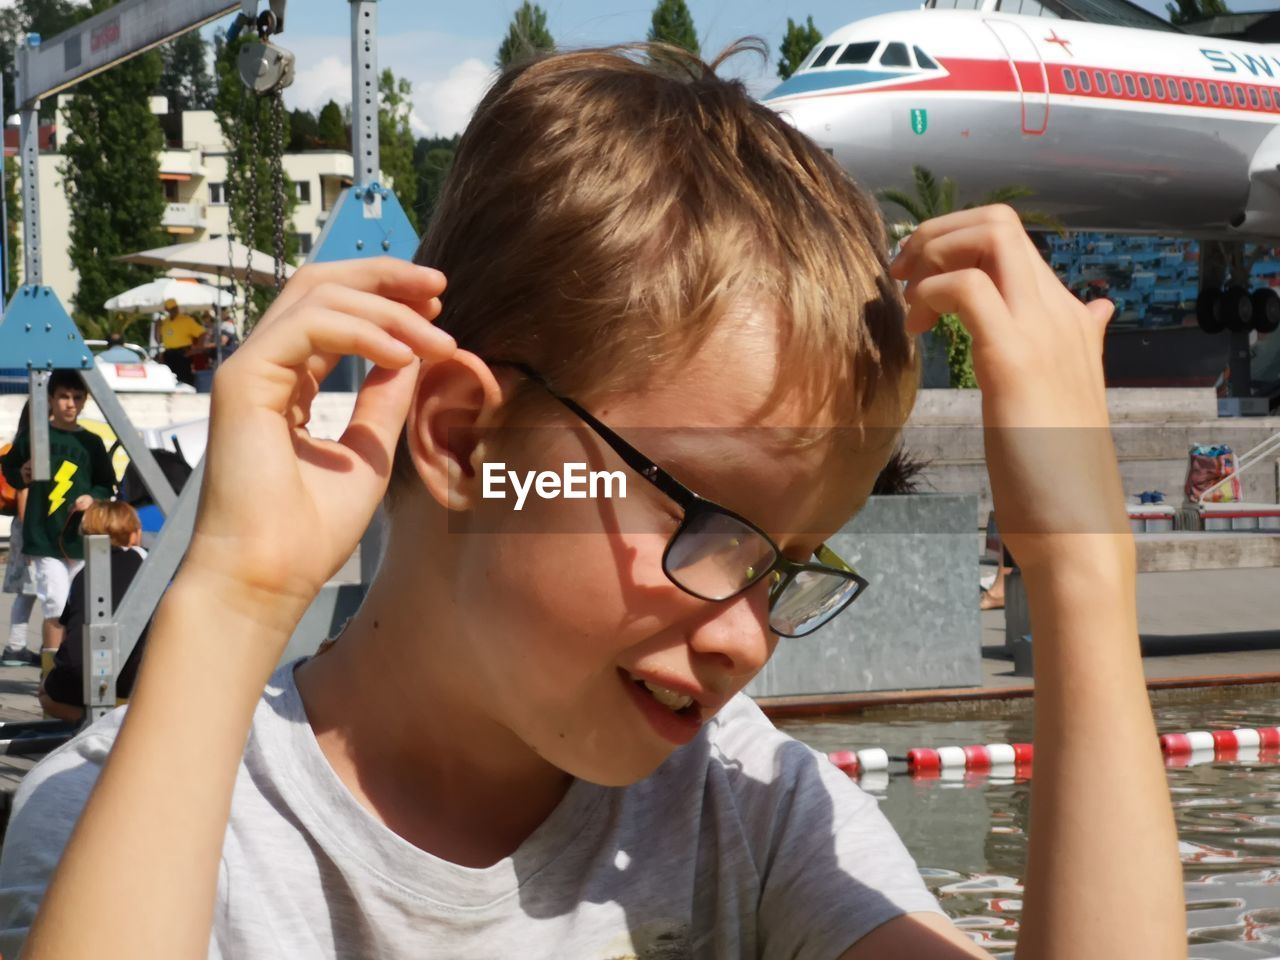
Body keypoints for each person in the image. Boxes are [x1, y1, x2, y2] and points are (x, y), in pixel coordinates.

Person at [0, 44, 1183, 959]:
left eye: (784, 563)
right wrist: (233, 600)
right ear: (466, 438)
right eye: (706, 522)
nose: (743, 635)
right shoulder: (144, 821)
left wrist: (1080, 571)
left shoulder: (751, 818)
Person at [0, 371, 116, 659]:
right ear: (50, 398)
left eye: (77, 397)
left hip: (79, 539)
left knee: (80, 605)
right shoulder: (33, 436)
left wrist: (93, 497)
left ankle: (72, 666)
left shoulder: (92, 442)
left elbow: (106, 483)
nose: (70, 404)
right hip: (43, 539)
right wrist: (22, 474)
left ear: (85, 400)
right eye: (64, 396)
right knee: (55, 603)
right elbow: (10, 469)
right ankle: (52, 676)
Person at [38, 501, 148, 723]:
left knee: (45, 694)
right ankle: (114, 722)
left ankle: (91, 722)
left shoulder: (82, 575)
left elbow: (67, 629)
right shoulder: (145, 563)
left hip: (79, 675)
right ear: (134, 535)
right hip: (135, 677)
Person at [0, 402, 38, 666]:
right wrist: (30, 531)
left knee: (30, 589)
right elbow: (25, 492)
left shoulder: (22, 444)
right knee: (33, 588)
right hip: (31, 528)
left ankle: (16, 646)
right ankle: (15, 646)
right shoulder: (32, 448)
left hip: (25, 526)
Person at [154, 298, 206, 386]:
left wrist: (197, 348)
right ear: (167, 310)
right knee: (170, 379)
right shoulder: (165, 322)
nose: (174, 310)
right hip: (169, 354)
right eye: (171, 308)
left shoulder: (186, 320)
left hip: (183, 353)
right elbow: (159, 340)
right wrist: (157, 327)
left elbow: (202, 333)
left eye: (175, 308)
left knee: (185, 378)